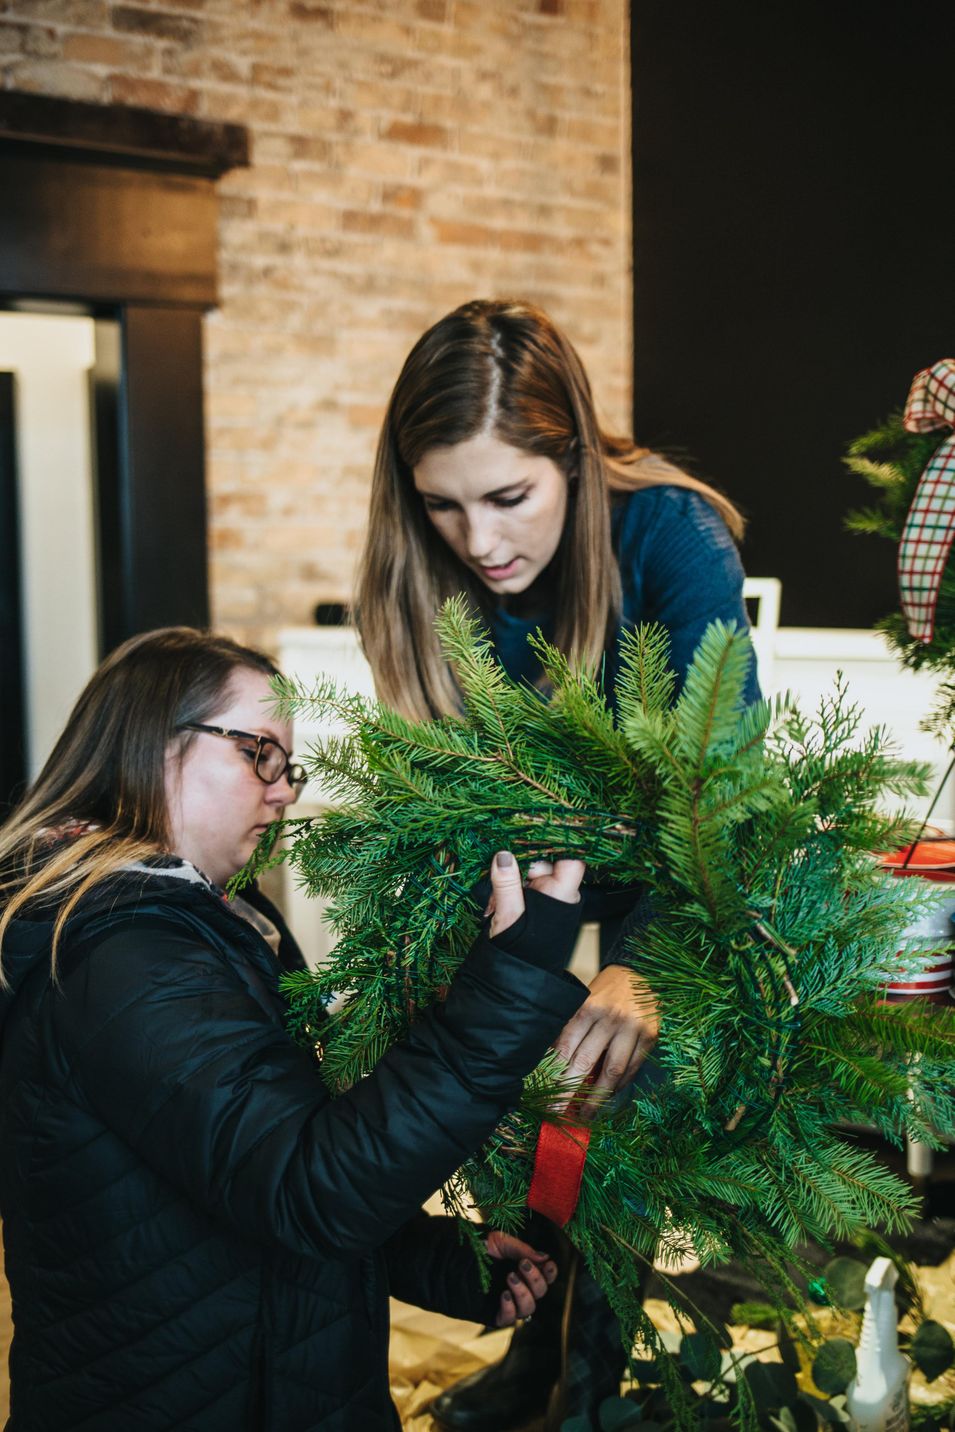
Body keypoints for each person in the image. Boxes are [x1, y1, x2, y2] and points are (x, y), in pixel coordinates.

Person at [0, 626, 591, 1432]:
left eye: (289, 765)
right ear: (152, 742)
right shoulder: (123, 960)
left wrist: (429, 1263)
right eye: (259, 752)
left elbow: (250, 1178)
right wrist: (514, 976)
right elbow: (311, 1190)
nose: (282, 791)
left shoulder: (211, 928)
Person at [355, 298, 761, 1430]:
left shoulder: (669, 537)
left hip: (674, 852)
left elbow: (713, 791)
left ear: (573, 461)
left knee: (615, 1097)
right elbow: (456, 787)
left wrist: (650, 967)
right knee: (509, 1084)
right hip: (536, 851)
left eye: (508, 497)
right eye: (443, 504)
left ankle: (588, 1388)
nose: (479, 541)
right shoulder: (429, 570)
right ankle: (531, 1352)